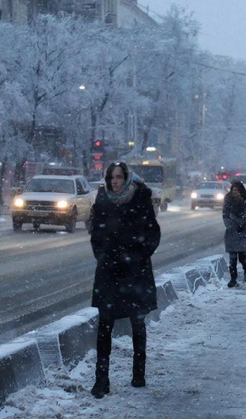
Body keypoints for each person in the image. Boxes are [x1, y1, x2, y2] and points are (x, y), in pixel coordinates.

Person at [89, 162, 161, 398]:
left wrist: (138, 256)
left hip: (135, 273)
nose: (114, 182)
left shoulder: (140, 199)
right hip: (109, 272)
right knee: (104, 326)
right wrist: (103, 256)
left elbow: (153, 233)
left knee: (137, 324)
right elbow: (96, 234)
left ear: (127, 178)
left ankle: (138, 373)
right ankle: (102, 380)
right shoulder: (102, 200)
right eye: (111, 178)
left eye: (118, 177)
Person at [223, 181, 246, 287]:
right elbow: (225, 216)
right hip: (231, 234)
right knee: (232, 259)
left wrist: (244, 226)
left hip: (242, 234)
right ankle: (233, 279)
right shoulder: (228, 203)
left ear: (241, 191)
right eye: (233, 190)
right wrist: (230, 226)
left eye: (237, 190)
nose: (235, 192)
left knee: (242, 256)